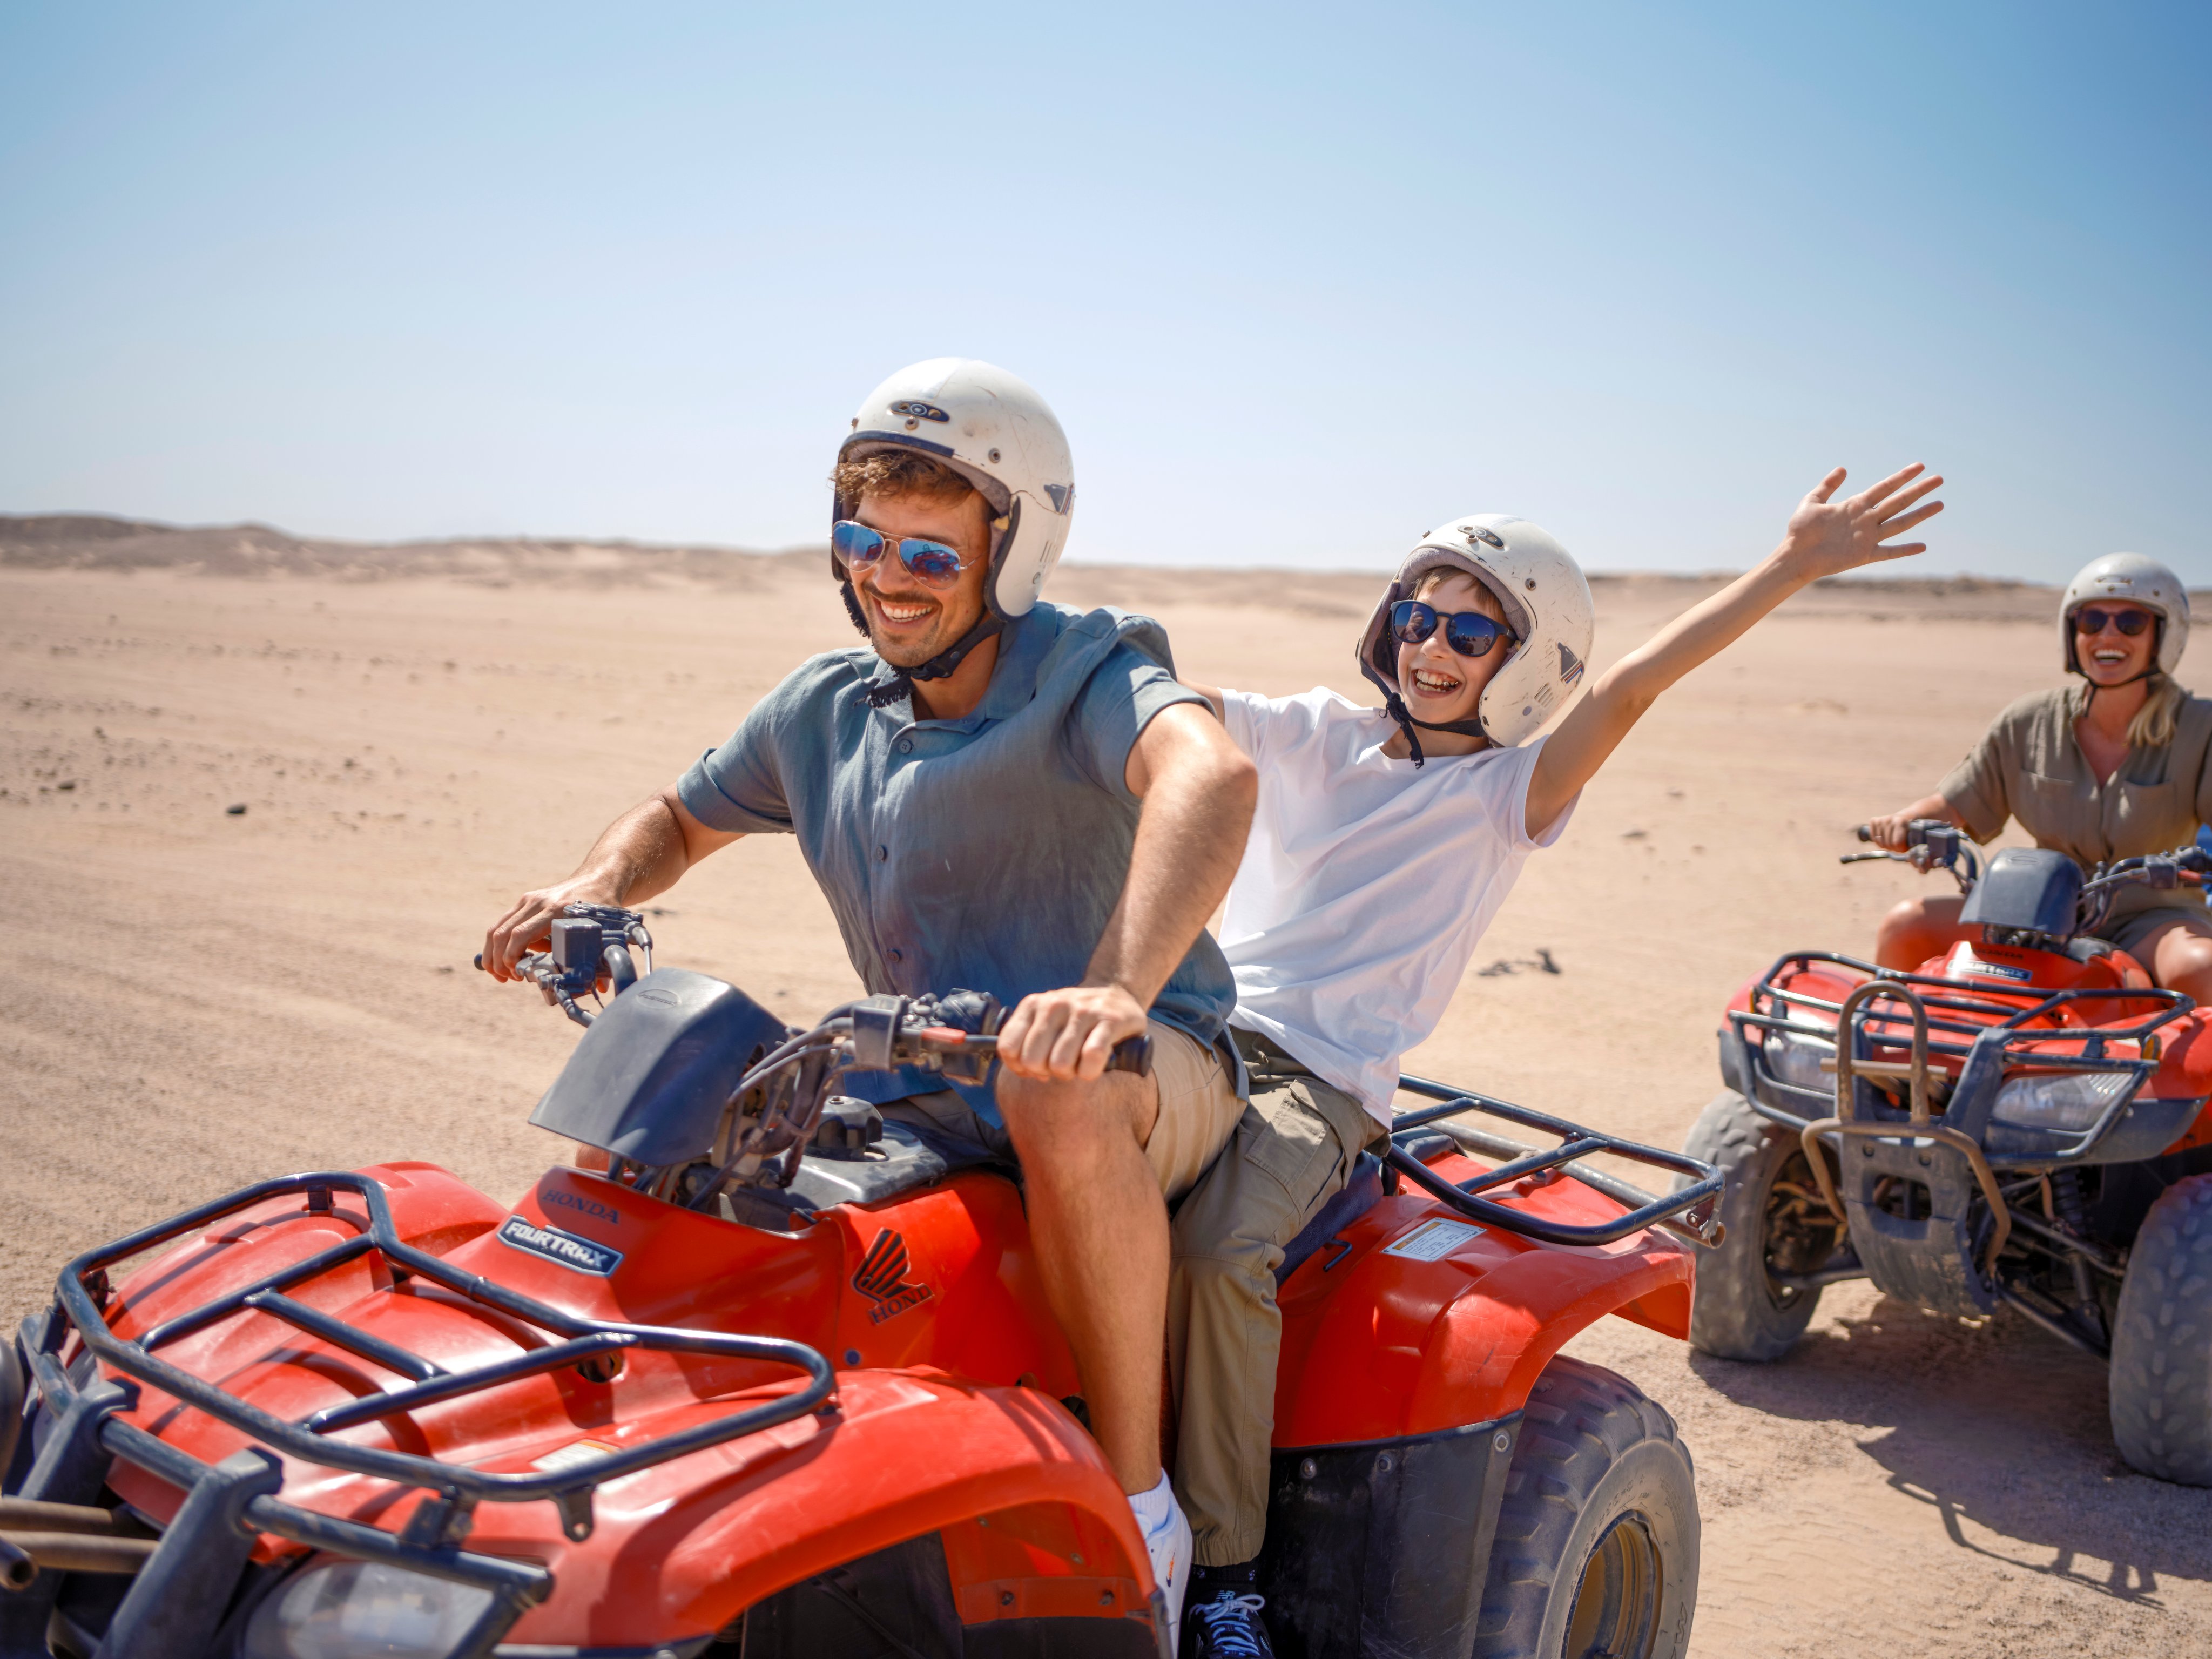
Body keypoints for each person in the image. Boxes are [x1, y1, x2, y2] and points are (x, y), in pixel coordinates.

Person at [481, 358, 1257, 1634]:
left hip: (1144, 1061)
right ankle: (590, 1468)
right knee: (675, 1129)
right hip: (922, 1071)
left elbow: (1211, 777)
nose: (886, 576)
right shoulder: (825, 705)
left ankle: (1139, 1509)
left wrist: (1114, 991)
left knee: (1051, 1083)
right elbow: (677, 816)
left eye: (927, 554)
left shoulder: (1084, 670)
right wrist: (595, 878)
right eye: (861, 540)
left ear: (1008, 553)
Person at [1163, 463, 1945, 1656]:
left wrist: (1789, 565)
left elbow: (1630, 690)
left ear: (1520, 665)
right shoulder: (1315, 733)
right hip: (1197, 1027)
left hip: (1316, 1081)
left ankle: (1219, 1573)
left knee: (1220, 1250)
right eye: (1417, 616)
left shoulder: (1500, 794)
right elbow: (1169, 710)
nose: (1431, 644)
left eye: (1470, 629)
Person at [1867, 553, 2212, 999]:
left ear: (2163, 636)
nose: (2107, 635)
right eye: (2091, 620)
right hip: (2034, 911)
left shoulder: (2200, 728)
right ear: (2073, 634)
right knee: (1905, 926)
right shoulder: (2029, 721)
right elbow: (1957, 801)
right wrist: (1905, 822)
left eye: (2130, 622)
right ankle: (1894, 1063)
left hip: (2152, 918)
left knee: (2199, 967)